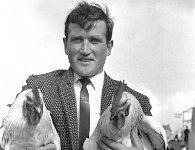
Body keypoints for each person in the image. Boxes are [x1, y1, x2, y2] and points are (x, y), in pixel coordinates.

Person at [10, 1, 152, 150]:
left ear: (108, 47)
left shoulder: (138, 103)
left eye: (94, 40)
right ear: (66, 45)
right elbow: (6, 135)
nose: (85, 50)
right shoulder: (38, 88)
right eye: (77, 40)